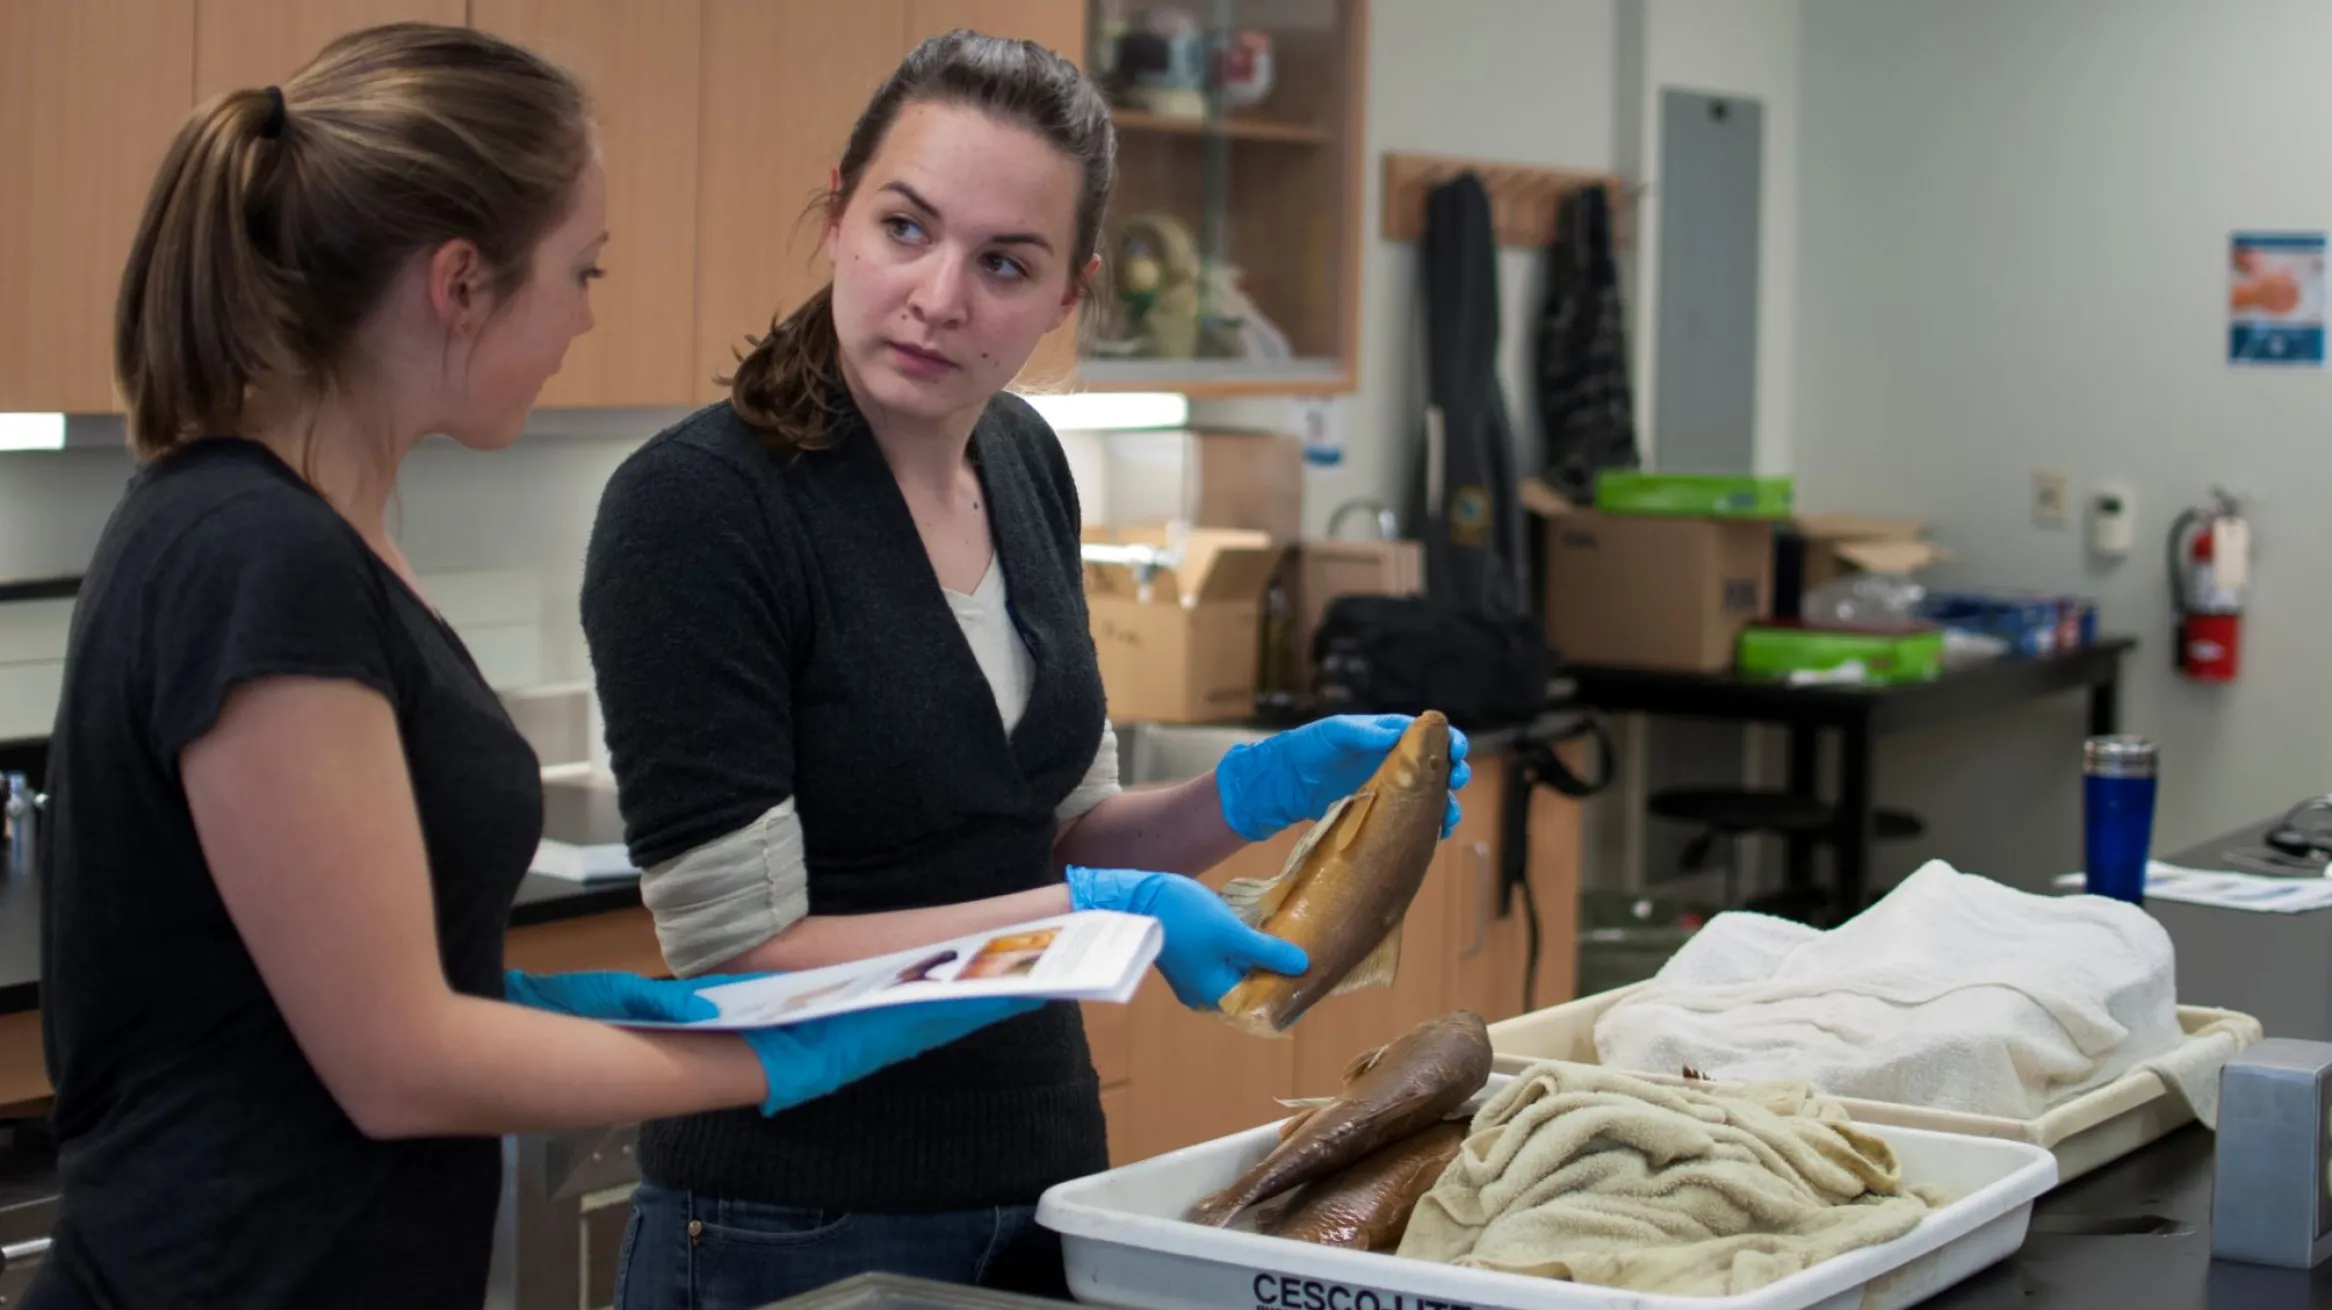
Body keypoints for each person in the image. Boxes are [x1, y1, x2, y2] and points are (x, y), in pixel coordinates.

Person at [27, 23, 1035, 1310]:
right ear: (460, 282)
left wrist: (545, 1003)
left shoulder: (322, 534)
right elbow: (399, 1062)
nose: (585, 312)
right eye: (580, 268)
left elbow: (331, 983)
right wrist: (781, 1054)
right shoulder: (253, 553)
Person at [577, 29, 1471, 1308]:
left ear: (1066, 295)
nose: (941, 295)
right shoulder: (700, 508)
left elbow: (1056, 831)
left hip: (1047, 1186)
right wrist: (1095, 914)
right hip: (795, 1213)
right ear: (838, 216)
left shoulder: (1025, 462)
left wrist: (1254, 791)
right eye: (906, 228)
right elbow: (744, 953)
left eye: (1004, 262)